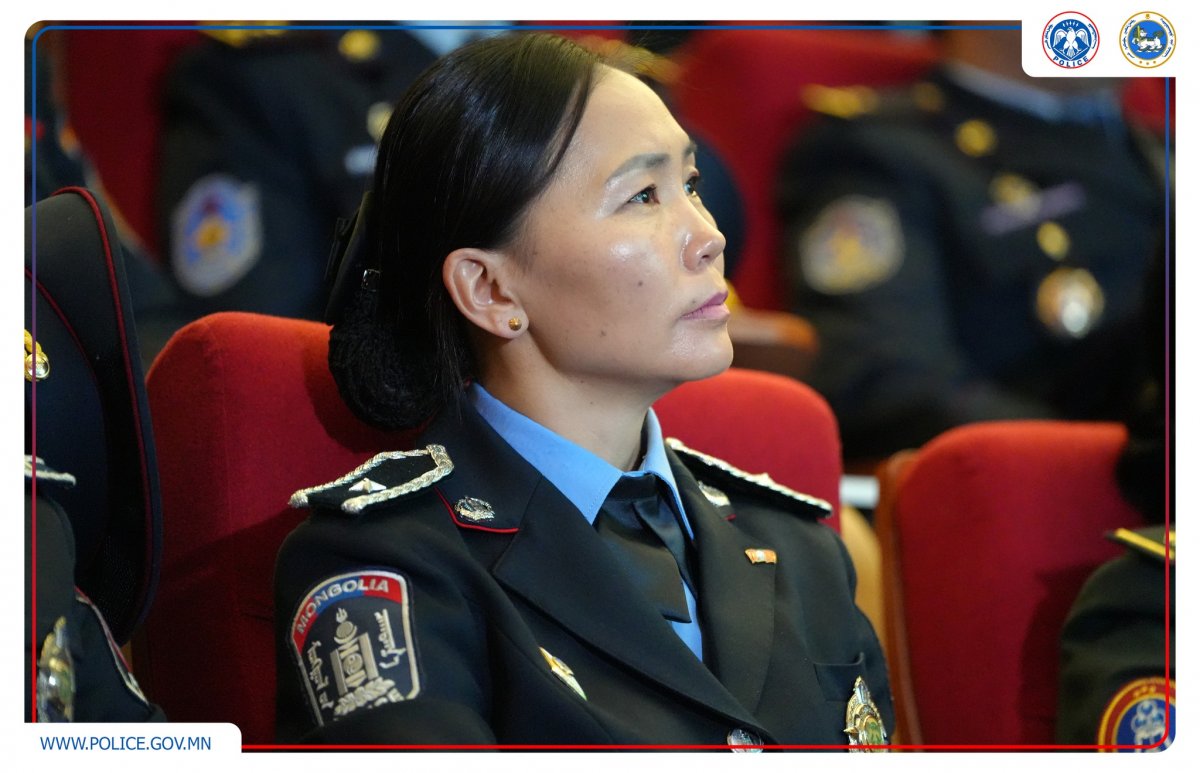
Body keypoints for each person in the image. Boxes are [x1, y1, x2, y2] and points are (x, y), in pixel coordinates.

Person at [274, 32, 891, 748]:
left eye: (691, 185)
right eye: (643, 196)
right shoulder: (386, 563)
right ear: (491, 288)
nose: (709, 237)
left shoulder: (799, 547)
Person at [776, 27, 1164, 463]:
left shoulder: (1159, 151)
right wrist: (1096, 462)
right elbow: (885, 379)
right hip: (1062, 473)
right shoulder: (886, 148)